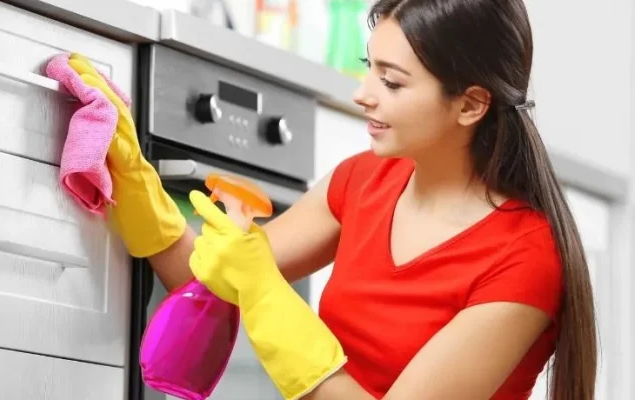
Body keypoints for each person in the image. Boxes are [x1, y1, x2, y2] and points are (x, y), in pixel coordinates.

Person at [65, 0, 598, 398]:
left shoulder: (524, 259)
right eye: (369, 68)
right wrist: (132, 177)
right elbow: (210, 285)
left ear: (470, 105)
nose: (363, 93)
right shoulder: (363, 182)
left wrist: (267, 295)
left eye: (391, 82)